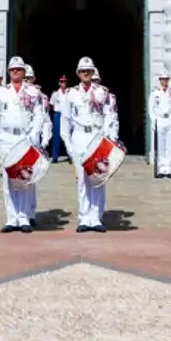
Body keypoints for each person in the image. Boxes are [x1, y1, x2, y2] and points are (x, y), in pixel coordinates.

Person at [0, 57, 46, 233]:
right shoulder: (1, 92)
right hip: (7, 138)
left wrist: (35, 134)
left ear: (23, 72)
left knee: (25, 178)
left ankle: (24, 217)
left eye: (19, 69)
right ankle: (12, 218)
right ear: (8, 72)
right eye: (12, 70)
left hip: (24, 138)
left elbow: (39, 114)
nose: (15, 72)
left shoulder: (33, 92)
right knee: (9, 180)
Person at [61, 56, 118, 232]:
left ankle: (96, 218)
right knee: (82, 180)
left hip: (97, 137)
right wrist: (68, 146)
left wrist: (110, 140)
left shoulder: (103, 92)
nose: (86, 73)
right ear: (78, 73)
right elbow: (66, 120)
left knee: (98, 179)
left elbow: (110, 116)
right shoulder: (70, 94)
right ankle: (84, 218)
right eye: (83, 71)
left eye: (89, 70)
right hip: (79, 138)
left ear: (93, 72)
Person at [149, 67, 171, 179]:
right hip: (160, 120)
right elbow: (151, 108)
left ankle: (168, 169)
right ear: (160, 80)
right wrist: (153, 121)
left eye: (166, 79)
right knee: (160, 146)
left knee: (169, 146)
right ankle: (161, 169)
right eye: (162, 79)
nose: (164, 81)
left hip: (170, 120)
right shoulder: (155, 92)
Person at [48, 75, 71, 162]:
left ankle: (70, 154)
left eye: (64, 81)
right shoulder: (55, 94)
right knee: (56, 136)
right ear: (59, 83)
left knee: (68, 135)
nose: (63, 83)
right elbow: (52, 105)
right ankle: (55, 156)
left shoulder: (70, 92)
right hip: (58, 114)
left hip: (67, 115)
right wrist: (57, 112)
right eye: (61, 81)